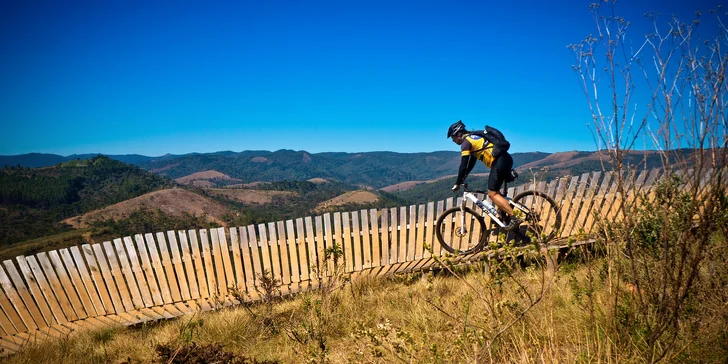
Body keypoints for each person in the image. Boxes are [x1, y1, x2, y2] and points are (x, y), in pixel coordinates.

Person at [446, 120, 522, 231]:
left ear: (459, 134)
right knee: (497, 194)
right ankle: (502, 215)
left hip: (499, 162)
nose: (453, 141)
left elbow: (463, 165)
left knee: (492, 194)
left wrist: (457, 183)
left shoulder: (466, 143)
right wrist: (463, 177)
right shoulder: (473, 138)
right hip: (505, 159)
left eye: (453, 137)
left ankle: (514, 218)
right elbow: (471, 163)